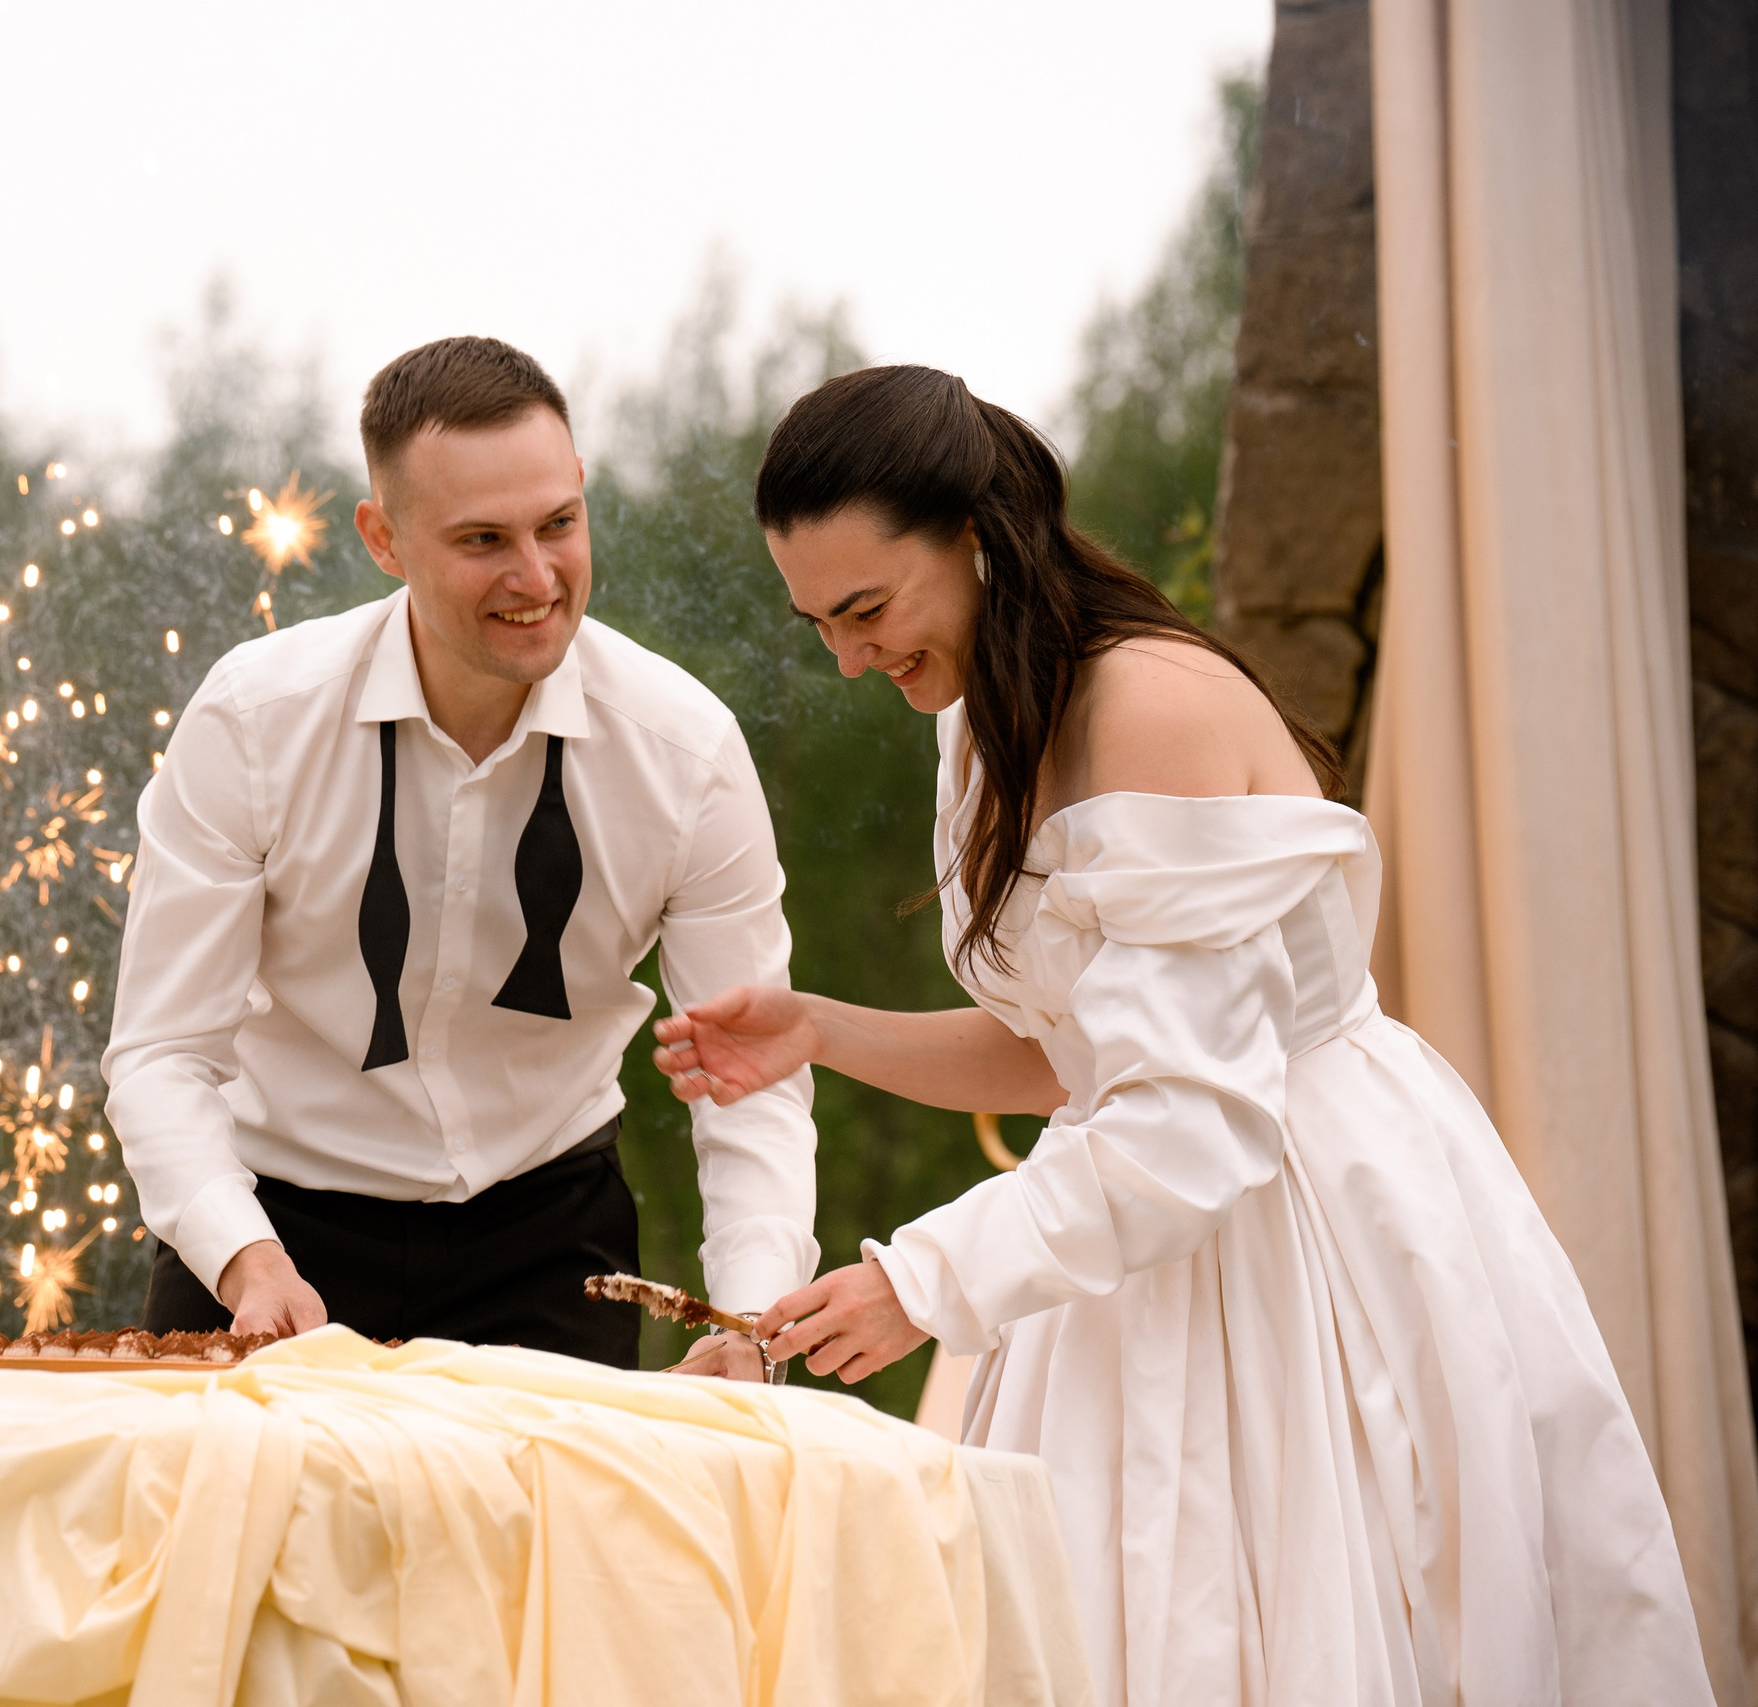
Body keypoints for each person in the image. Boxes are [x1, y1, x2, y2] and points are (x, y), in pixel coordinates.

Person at [652, 366, 1711, 1700]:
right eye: (818, 623)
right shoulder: (983, 712)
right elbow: (1069, 1055)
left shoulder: (1147, 707)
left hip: (1293, 1223)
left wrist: (922, 1280)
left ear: (977, 535)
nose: (850, 657)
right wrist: (813, 1027)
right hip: (1123, 1229)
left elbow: (1188, 1122)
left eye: (866, 609)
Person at [103, 335, 816, 1374]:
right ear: (382, 538)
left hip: (550, 1240)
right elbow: (163, 1054)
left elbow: (751, 1078)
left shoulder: (687, 752)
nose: (536, 577)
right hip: (269, 1234)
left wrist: (749, 1322)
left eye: (559, 525)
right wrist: (242, 1257)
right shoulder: (253, 721)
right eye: (483, 538)